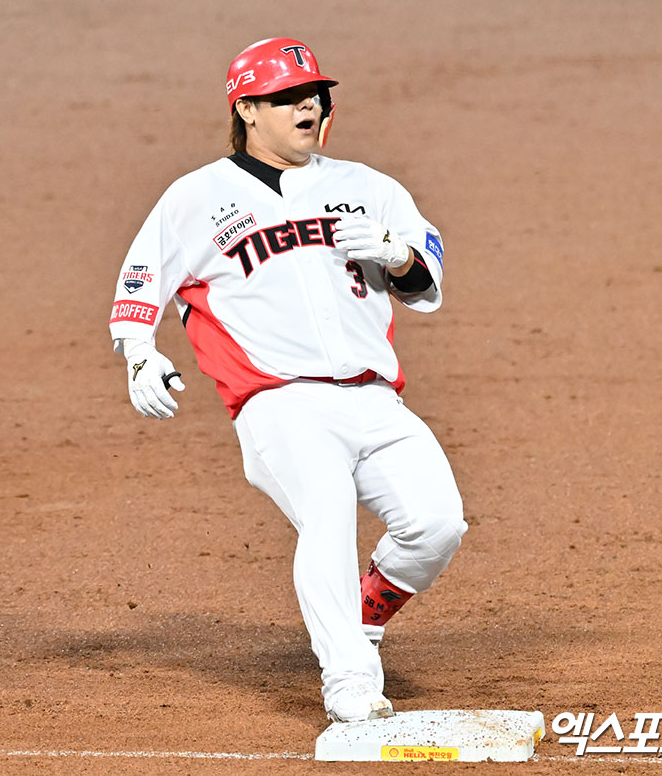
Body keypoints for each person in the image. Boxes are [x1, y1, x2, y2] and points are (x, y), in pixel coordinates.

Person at [109, 39, 467, 723]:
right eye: (285, 97)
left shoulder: (369, 187)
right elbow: (139, 281)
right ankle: (350, 681)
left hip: (374, 395)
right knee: (326, 515)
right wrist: (137, 350)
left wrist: (397, 253)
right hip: (278, 402)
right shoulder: (196, 197)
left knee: (437, 522)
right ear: (246, 109)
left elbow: (427, 278)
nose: (306, 106)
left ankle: (361, 614)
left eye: (313, 95)